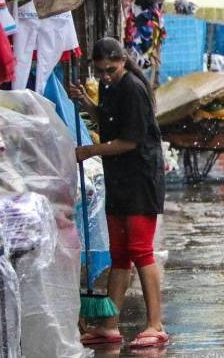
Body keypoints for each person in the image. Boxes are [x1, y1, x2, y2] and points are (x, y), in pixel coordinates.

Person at [69, 38, 168, 349]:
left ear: (123, 61)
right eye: (100, 71)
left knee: (140, 250)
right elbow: (109, 124)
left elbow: (130, 141)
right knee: (120, 255)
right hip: (119, 179)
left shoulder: (135, 90)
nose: (106, 75)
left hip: (140, 180)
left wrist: (89, 151)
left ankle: (155, 323)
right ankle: (109, 324)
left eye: (110, 69)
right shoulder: (110, 87)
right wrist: (85, 102)